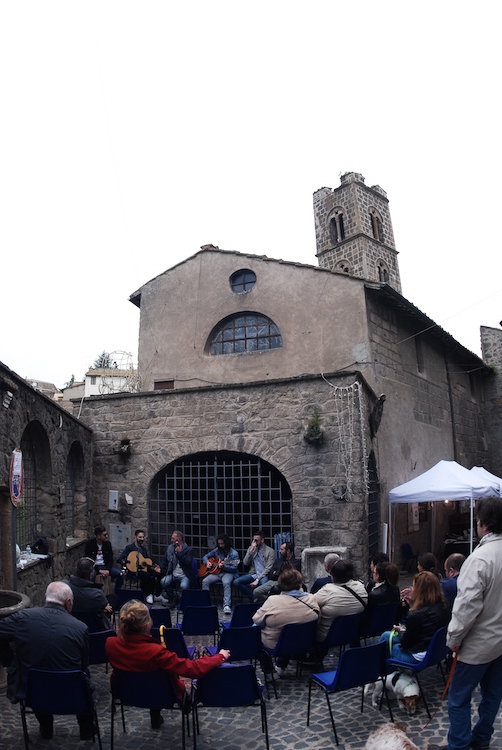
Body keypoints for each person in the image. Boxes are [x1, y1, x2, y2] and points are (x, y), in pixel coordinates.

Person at [428, 497, 502, 750]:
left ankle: (459, 745)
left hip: (477, 645)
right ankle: (481, 739)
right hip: (499, 642)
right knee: (492, 695)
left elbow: (466, 607)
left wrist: (453, 640)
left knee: (459, 698)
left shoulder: (479, 560)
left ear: (483, 524)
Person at [105, 599, 230, 728]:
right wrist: (219, 657)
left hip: (126, 693)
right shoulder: (156, 652)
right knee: (156, 678)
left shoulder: (110, 644)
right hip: (162, 694)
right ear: (146, 625)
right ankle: (178, 706)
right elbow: (193, 669)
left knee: (150, 675)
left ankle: (155, 714)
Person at [0, 581, 93, 740]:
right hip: (71, 692)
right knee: (83, 678)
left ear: (45, 597)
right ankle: (87, 730)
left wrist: (9, 660)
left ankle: (46, 726)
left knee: (39, 677)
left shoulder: (23, 618)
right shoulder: (80, 628)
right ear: (68, 602)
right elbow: (83, 664)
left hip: (32, 691)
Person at [252, 567, 320, 677]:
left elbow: (256, 620)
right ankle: (280, 665)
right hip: (304, 642)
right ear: (300, 583)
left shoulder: (273, 600)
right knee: (291, 631)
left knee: (256, 637)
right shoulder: (311, 599)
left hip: (275, 645)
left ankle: (269, 672)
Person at [380, 570, 450, 665]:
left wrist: (411, 608)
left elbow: (406, 643)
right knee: (386, 635)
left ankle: (382, 669)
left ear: (420, 591)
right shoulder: (444, 605)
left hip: (419, 654)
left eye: (413, 587)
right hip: (436, 650)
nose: (412, 589)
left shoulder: (416, 614)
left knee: (392, 646)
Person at [314, 559, 367, 650]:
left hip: (327, 636)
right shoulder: (360, 587)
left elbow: (310, 603)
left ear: (333, 576)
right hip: (352, 633)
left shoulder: (328, 590)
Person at [64, 557, 114, 630]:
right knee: (113, 599)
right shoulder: (97, 595)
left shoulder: (65, 586)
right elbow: (103, 603)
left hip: (71, 627)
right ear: (91, 575)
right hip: (94, 630)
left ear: (75, 570)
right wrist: (103, 606)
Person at [118, 529, 163, 605]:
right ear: (135, 537)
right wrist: (126, 566)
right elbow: (120, 558)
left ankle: (157, 594)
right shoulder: (129, 548)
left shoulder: (143, 549)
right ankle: (148, 594)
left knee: (159, 573)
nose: (142, 539)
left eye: (143, 537)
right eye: (140, 537)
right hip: (133, 570)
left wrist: (153, 566)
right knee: (146, 575)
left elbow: (146, 560)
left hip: (143, 568)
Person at [201, 534, 240, 614]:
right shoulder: (217, 551)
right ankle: (205, 602)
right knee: (205, 581)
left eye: (222, 544)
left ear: (227, 543)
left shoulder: (234, 553)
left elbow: (234, 568)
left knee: (226, 582)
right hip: (217, 573)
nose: (221, 545)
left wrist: (224, 567)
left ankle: (226, 605)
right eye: (219, 544)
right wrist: (207, 562)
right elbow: (205, 556)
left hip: (228, 573)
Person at [233, 530, 275, 602]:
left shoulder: (270, 551)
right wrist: (250, 551)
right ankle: (253, 598)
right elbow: (245, 563)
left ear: (262, 540)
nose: (255, 542)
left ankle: (264, 603)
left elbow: (268, 568)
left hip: (263, 575)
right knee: (236, 582)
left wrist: (257, 580)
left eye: (256, 540)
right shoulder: (252, 548)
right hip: (253, 574)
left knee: (263, 585)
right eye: (253, 540)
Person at [160, 530, 195, 604]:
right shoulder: (170, 548)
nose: (171, 540)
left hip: (184, 574)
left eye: (173, 538)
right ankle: (173, 597)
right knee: (164, 582)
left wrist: (179, 554)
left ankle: (183, 602)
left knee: (184, 586)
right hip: (173, 573)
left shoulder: (188, 549)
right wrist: (160, 567)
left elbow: (187, 562)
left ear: (179, 539)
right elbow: (165, 560)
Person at [84, 524, 123, 589]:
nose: (106, 536)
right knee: (91, 576)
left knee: (120, 574)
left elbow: (110, 559)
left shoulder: (107, 544)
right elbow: (89, 559)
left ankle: (117, 592)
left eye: (106, 534)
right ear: (98, 536)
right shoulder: (90, 544)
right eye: (104, 535)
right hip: (94, 567)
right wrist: (99, 570)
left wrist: (107, 570)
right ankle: (91, 591)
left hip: (105, 566)